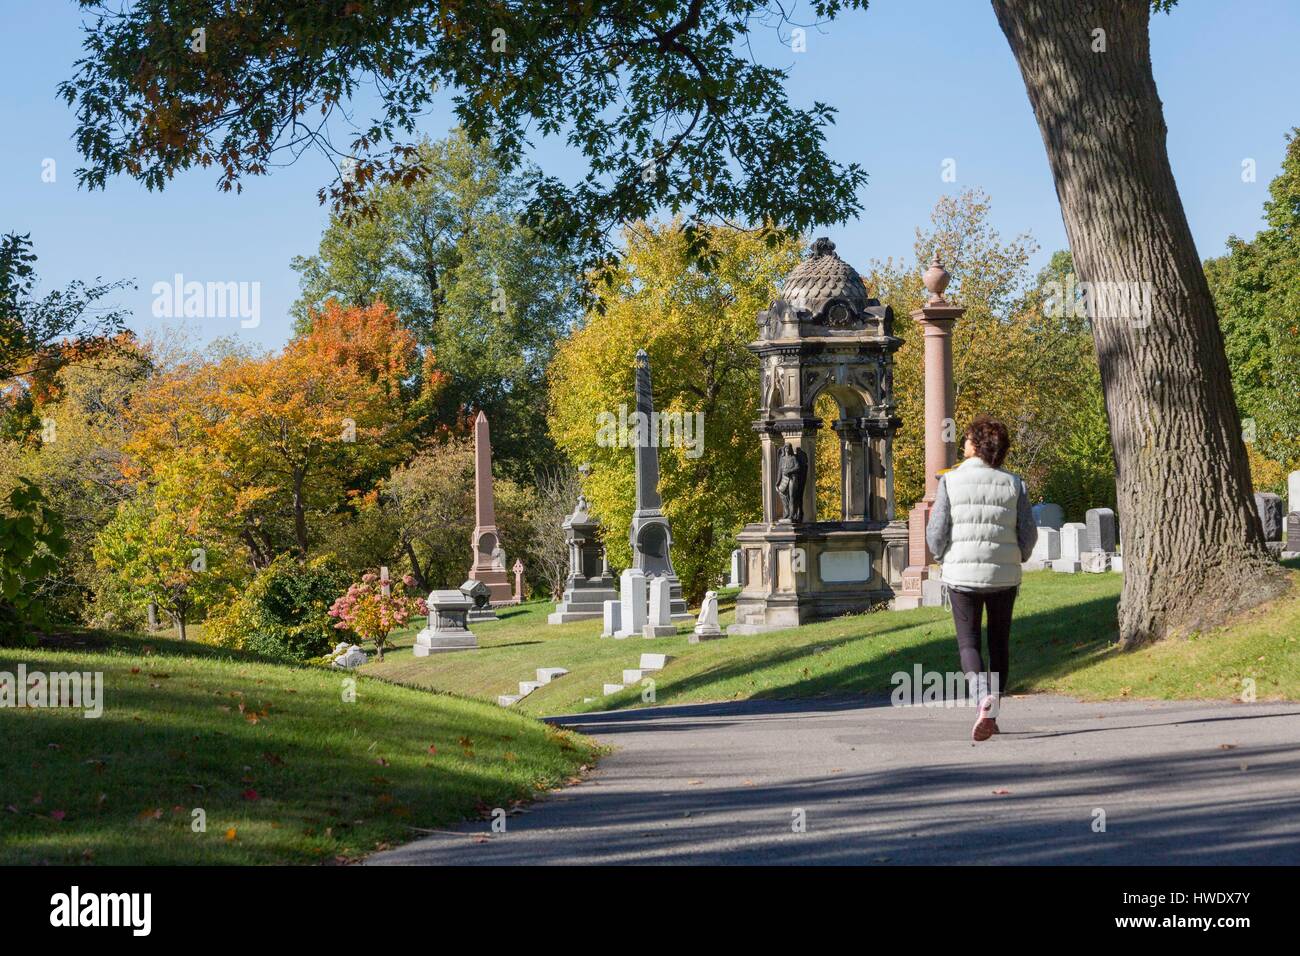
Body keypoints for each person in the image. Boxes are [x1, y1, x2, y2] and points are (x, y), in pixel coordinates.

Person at [925, 415, 1037, 742]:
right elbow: (1027, 534)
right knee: (999, 643)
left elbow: (936, 533)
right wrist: (1018, 557)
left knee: (968, 643)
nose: (963, 444)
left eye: (968, 439)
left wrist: (943, 556)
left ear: (976, 446)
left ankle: (980, 699)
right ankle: (994, 709)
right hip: (1004, 575)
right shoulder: (1015, 484)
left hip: (962, 576)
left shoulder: (950, 481)